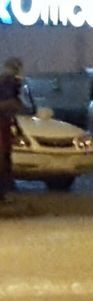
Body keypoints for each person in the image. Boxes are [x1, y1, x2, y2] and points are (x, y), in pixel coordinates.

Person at [0, 58, 26, 202]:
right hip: (3, 125)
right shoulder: (7, 83)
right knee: (3, 160)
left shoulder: (9, 82)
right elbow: (12, 105)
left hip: (5, 125)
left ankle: (3, 192)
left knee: (5, 159)